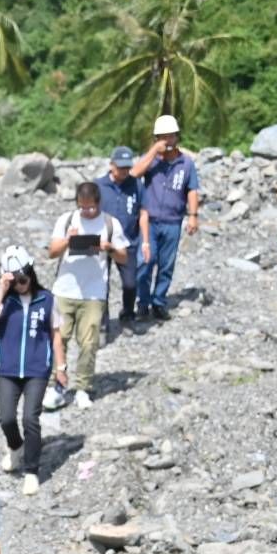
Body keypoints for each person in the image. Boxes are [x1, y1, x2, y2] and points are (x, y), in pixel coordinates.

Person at [0, 245, 68, 496]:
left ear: (31, 273)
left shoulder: (47, 300)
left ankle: (31, 470)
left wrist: (61, 367)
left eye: (23, 279)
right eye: (15, 280)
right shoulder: (5, 301)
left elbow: (56, 336)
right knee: (6, 418)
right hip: (8, 369)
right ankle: (16, 447)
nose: (20, 284)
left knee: (30, 418)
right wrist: (1, 291)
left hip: (36, 370)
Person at [47, 182, 128, 408]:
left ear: (99, 203)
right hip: (64, 290)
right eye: (83, 208)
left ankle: (83, 387)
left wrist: (108, 247)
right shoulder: (66, 221)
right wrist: (68, 240)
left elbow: (124, 257)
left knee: (89, 342)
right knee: (58, 339)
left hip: (94, 293)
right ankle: (58, 386)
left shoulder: (111, 223)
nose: (87, 212)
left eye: (91, 208)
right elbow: (51, 252)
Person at [131, 114, 201, 321]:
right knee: (145, 262)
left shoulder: (186, 164)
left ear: (177, 137)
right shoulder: (151, 161)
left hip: (173, 221)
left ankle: (159, 302)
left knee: (166, 265)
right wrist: (153, 152)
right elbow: (134, 174)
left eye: (170, 137)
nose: (167, 141)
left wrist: (193, 216)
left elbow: (192, 190)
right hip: (149, 221)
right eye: (162, 137)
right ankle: (142, 303)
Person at [96, 146, 146, 325]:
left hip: (128, 242)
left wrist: (145, 241)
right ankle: (102, 323)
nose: (124, 171)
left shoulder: (136, 185)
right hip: (101, 243)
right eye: (120, 167)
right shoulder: (98, 186)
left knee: (130, 284)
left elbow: (143, 212)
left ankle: (127, 313)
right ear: (111, 165)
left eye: (127, 167)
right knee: (102, 285)